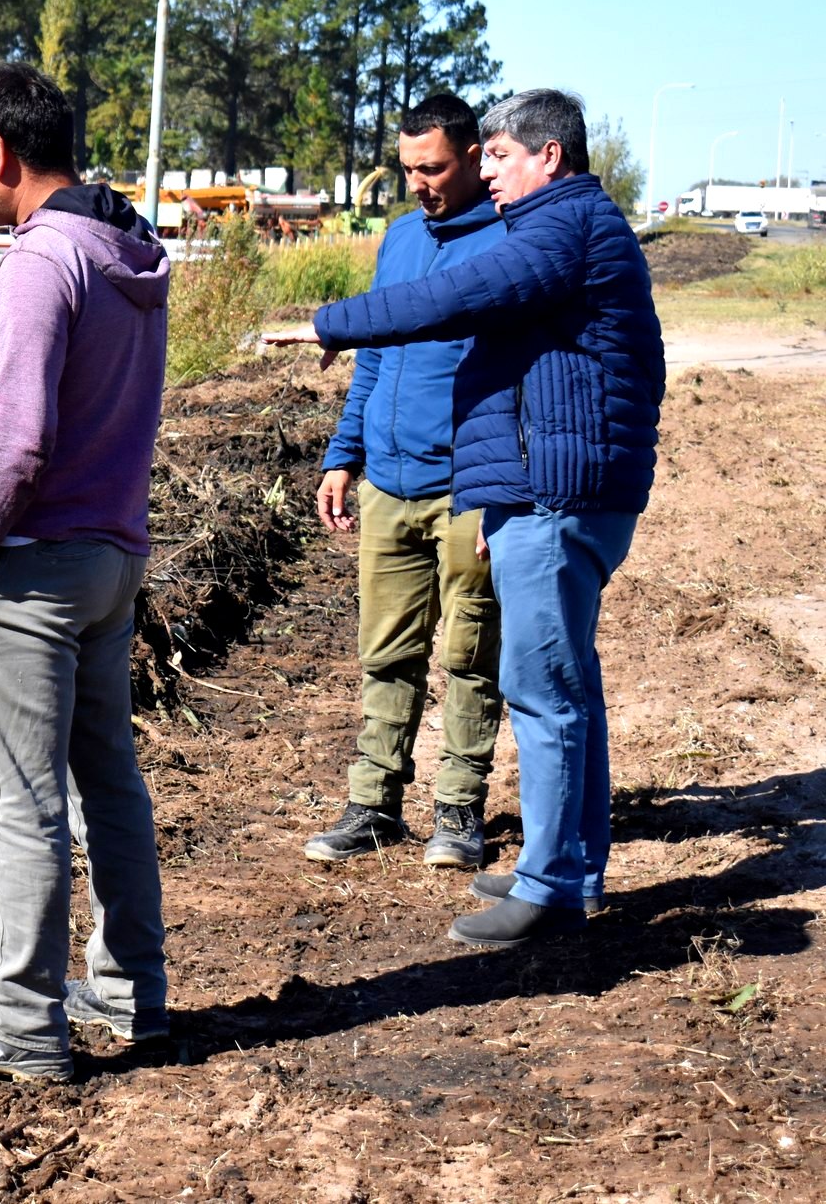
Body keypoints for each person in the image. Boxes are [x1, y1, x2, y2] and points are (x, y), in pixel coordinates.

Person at [267, 88, 664, 947]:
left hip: (555, 497)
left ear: (548, 157)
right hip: (543, 488)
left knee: (539, 690)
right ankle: (577, 865)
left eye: (497, 156)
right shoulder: (567, 228)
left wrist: (330, 323)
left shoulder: (559, 229)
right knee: (572, 689)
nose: (486, 172)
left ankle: (551, 883)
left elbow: (451, 299)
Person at [0, 63, 172, 1080]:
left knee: (16, 798)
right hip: (110, 557)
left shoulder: (34, 265)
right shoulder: (126, 253)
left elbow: (15, 437)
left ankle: (19, 1024)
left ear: (0, 153)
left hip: (26, 567)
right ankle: (127, 991)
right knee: (108, 780)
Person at [304, 94, 507, 871]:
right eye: (408, 169)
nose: (419, 183)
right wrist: (343, 454)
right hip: (389, 480)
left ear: (472, 156)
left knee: (469, 650)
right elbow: (376, 354)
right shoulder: (397, 240)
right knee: (386, 650)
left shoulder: (507, 242)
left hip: (469, 483)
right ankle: (374, 801)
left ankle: (459, 809)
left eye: (434, 168)